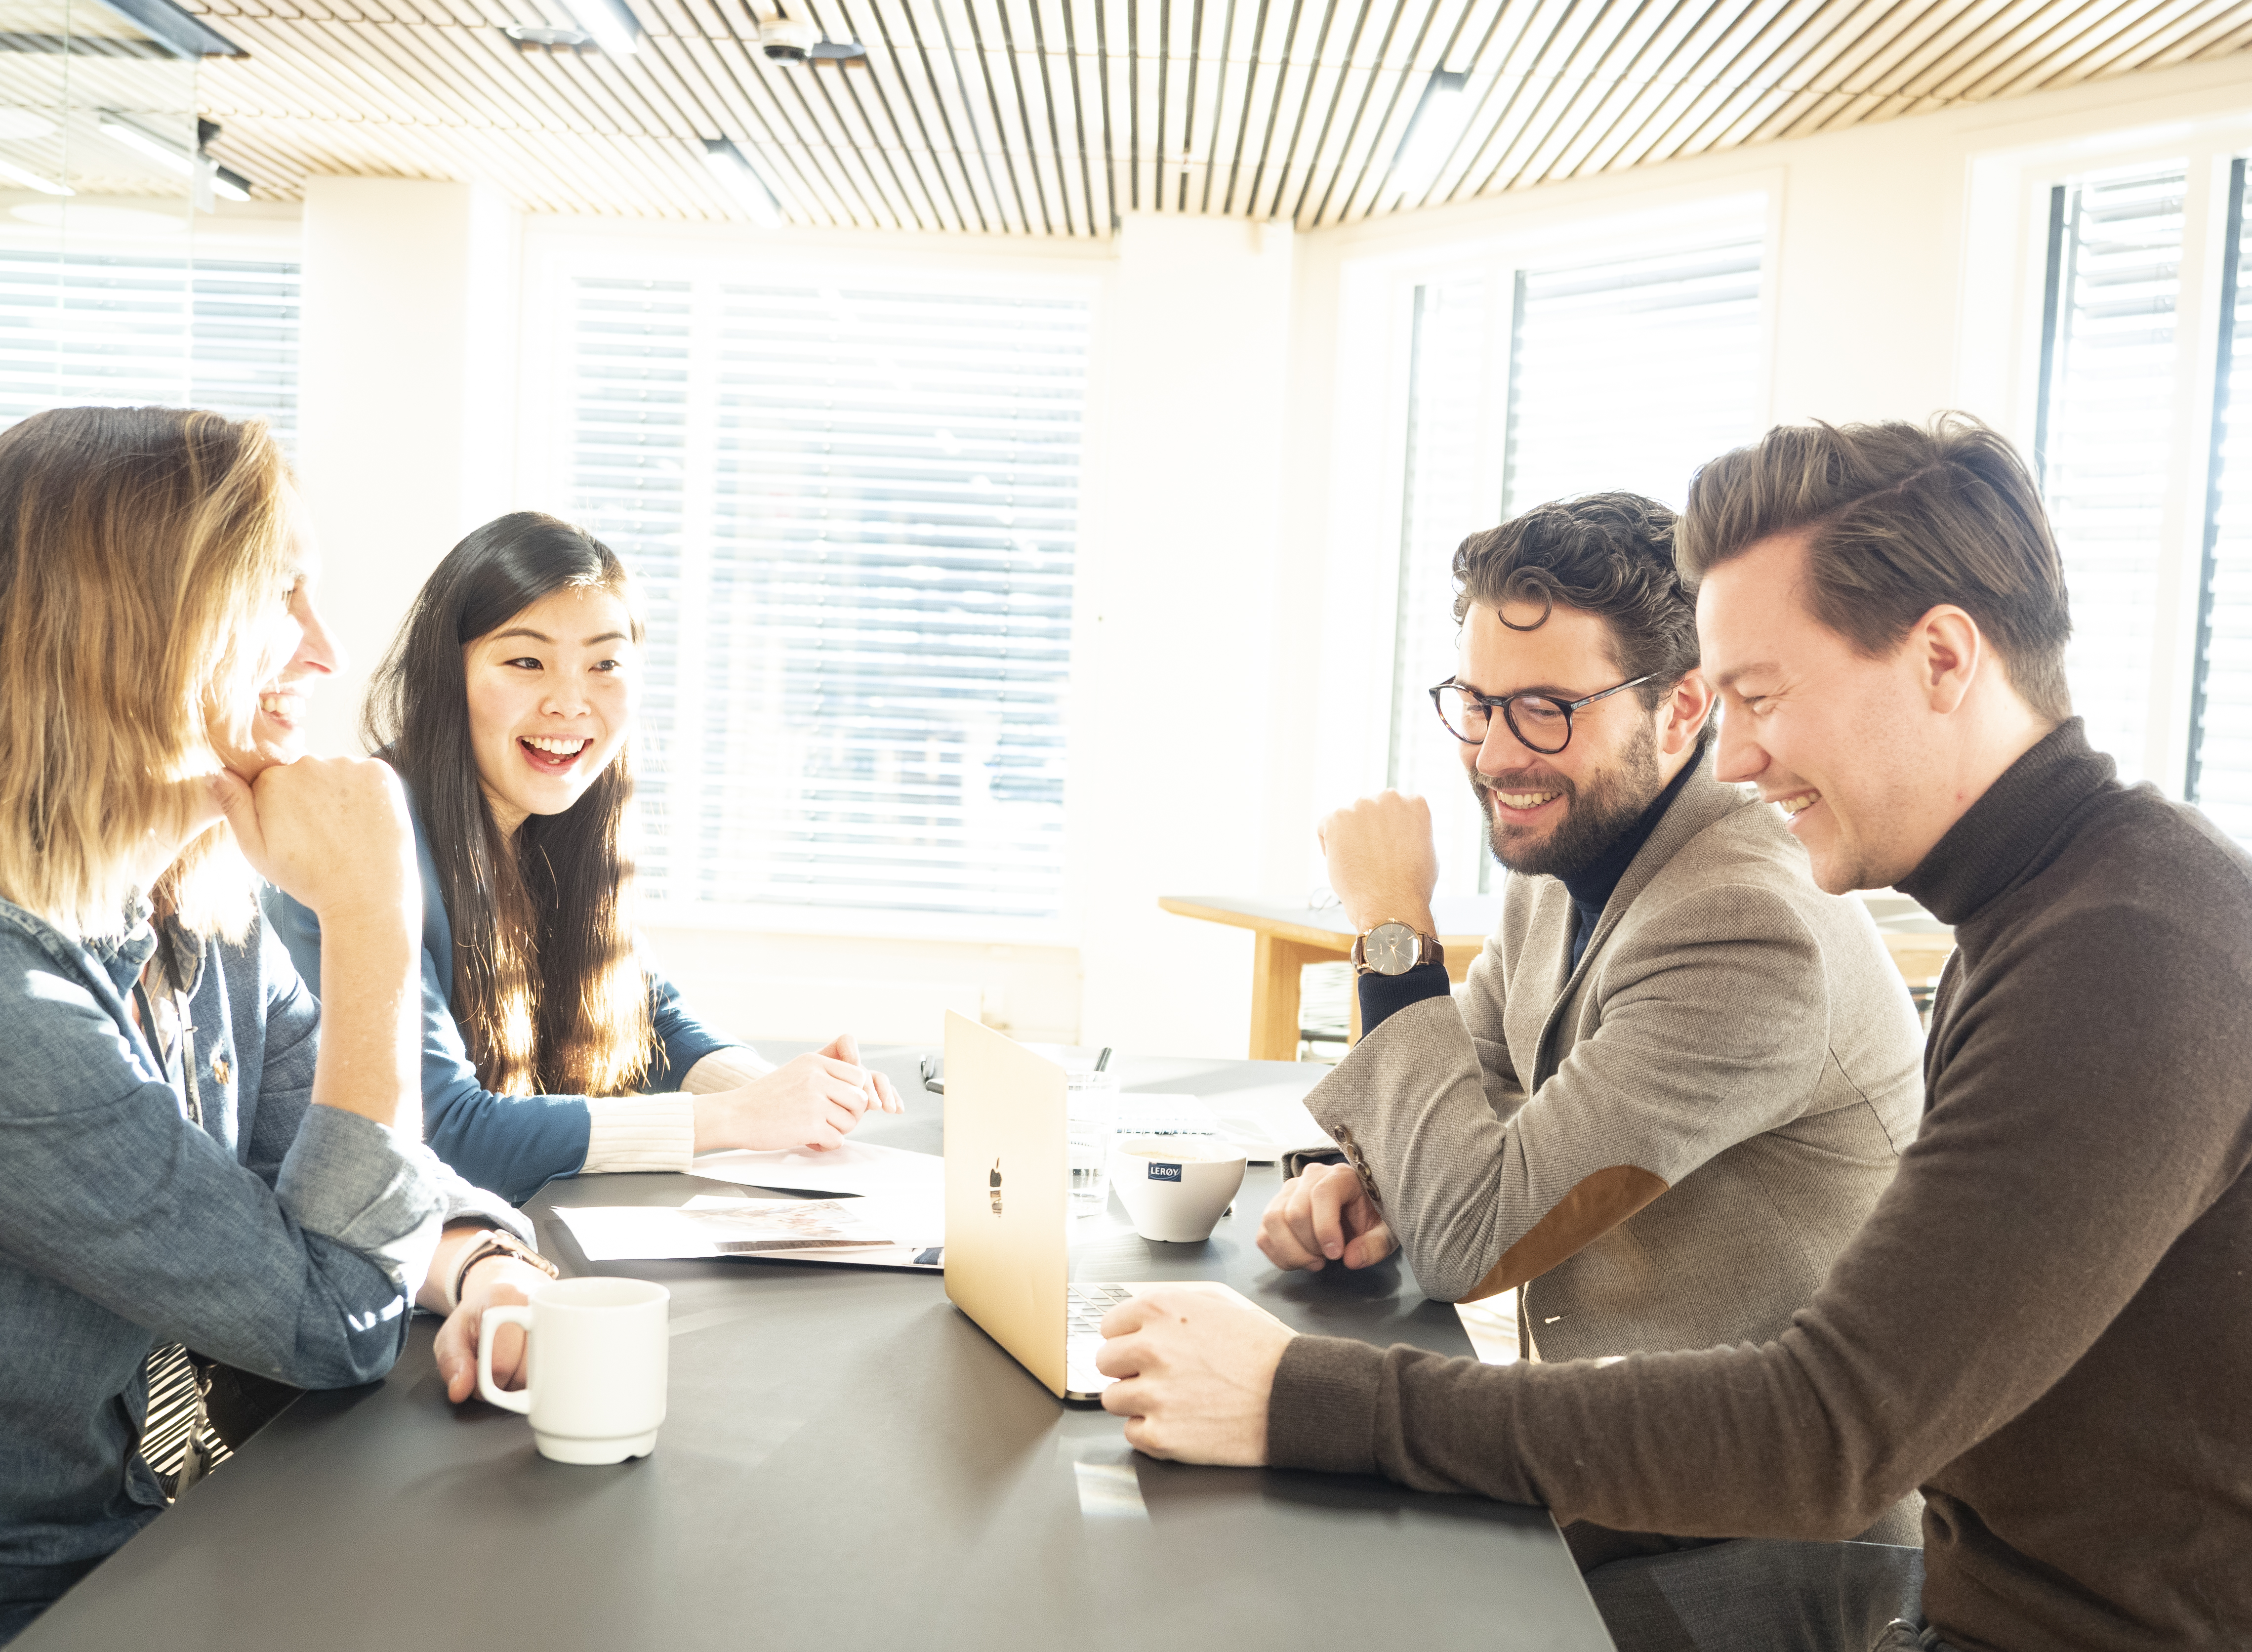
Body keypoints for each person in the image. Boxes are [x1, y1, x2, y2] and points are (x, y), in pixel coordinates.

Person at [1096, 415, 2252, 1651]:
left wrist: (1299, 1395)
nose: (1739, 755)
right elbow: (1474, 1115)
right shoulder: (2051, 908)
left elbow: (1828, 1433)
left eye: (1760, 696)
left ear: (1944, 658)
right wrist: (1375, 1178)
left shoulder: (2129, 951)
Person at [1257, 493, 1925, 1572]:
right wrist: (1365, 1181)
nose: (1495, 755)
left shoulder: (1745, 926)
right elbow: (1470, 1098)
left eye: (1548, 709)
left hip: (1751, 1544)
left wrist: (1390, 926)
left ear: (1681, 708)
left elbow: (1469, 1241)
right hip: (1619, 1465)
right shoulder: (1574, 852)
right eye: (1478, 702)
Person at [0, 407, 555, 1646]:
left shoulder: (207, 900)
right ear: (124, 633)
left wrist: (481, 1263)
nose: (327, 647)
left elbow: (365, 1162)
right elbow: (332, 1315)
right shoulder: (14, 1006)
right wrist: (370, 913)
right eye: (277, 597)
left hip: (233, 1510)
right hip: (76, 1597)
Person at [273, 512, 901, 1205]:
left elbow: (646, 1010)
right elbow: (444, 1134)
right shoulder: (354, 845)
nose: (570, 702)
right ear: (448, 676)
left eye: (605, 664)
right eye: (525, 662)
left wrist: (784, 1094)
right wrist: (736, 1120)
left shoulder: (558, 823)